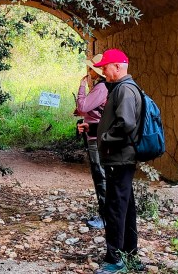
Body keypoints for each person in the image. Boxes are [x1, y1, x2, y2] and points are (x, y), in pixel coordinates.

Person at [93, 49, 143, 274]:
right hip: (121, 157)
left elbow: (126, 124)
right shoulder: (125, 88)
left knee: (115, 209)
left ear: (117, 66)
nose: (103, 71)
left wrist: (105, 138)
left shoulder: (124, 89)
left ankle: (115, 259)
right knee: (126, 207)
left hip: (119, 158)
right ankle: (130, 254)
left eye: (105, 67)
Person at [75, 54, 109, 230]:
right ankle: (106, 215)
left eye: (91, 69)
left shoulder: (101, 87)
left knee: (100, 176)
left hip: (96, 137)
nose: (88, 71)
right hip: (96, 134)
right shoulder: (102, 87)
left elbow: (82, 107)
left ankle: (105, 217)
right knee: (101, 175)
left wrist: (81, 86)